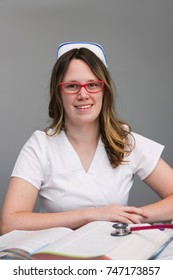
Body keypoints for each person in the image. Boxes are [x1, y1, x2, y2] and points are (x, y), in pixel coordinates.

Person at [1, 41, 173, 235]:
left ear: (104, 91)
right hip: (58, 260)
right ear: (58, 93)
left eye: (92, 85)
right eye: (72, 86)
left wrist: (127, 217)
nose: (83, 94)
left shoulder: (125, 141)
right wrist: (90, 215)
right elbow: (10, 222)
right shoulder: (40, 145)